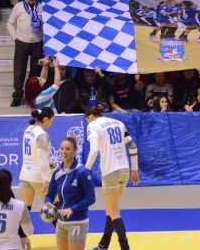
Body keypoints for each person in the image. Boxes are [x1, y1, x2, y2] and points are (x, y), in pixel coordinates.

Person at [84, 105, 140, 250]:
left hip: (110, 172)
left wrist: (85, 170)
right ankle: (103, 245)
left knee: (114, 213)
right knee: (111, 210)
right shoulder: (118, 123)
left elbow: (94, 150)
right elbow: (133, 147)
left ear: (89, 118)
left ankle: (125, 247)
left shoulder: (93, 126)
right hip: (124, 170)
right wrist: (134, 169)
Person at [45, 137, 95, 250]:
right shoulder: (57, 172)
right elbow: (50, 194)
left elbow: (91, 198)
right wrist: (47, 204)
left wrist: (72, 209)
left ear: (75, 151)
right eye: (62, 148)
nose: (64, 151)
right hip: (61, 222)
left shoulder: (82, 172)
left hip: (77, 222)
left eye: (68, 149)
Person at [7, 0, 43, 107]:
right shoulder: (18, 7)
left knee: (34, 72)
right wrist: (15, 39)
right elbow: (10, 24)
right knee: (19, 71)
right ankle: (17, 95)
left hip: (37, 43)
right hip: (21, 42)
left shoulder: (41, 7)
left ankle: (31, 96)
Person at [18, 106, 55, 214]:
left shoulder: (28, 129)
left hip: (25, 175)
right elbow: (41, 158)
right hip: (38, 177)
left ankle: (19, 231)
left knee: (25, 210)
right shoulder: (42, 135)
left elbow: (32, 153)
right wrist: (46, 180)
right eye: (51, 121)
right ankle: (63, 231)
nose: (51, 124)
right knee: (53, 208)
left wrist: (49, 162)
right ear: (46, 119)